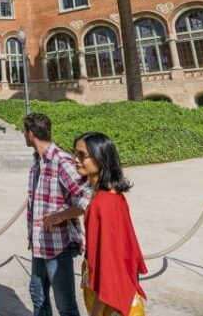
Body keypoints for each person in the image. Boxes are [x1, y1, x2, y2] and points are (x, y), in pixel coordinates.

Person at [23, 113, 91, 316]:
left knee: (65, 305)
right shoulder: (38, 162)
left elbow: (88, 198)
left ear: (30, 134)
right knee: (38, 295)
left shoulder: (61, 161)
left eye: (24, 132)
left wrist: (60, 216)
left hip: (59, 245)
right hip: (40, 243)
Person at [73, 132, 147, 316]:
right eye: (75, 153)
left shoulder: (103, 203)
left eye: (82, 155)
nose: (75, 159)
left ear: (100, 158)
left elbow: (107, 269)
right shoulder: (113, 195)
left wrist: (96, 314)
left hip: (112, 302)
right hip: (123, 294)